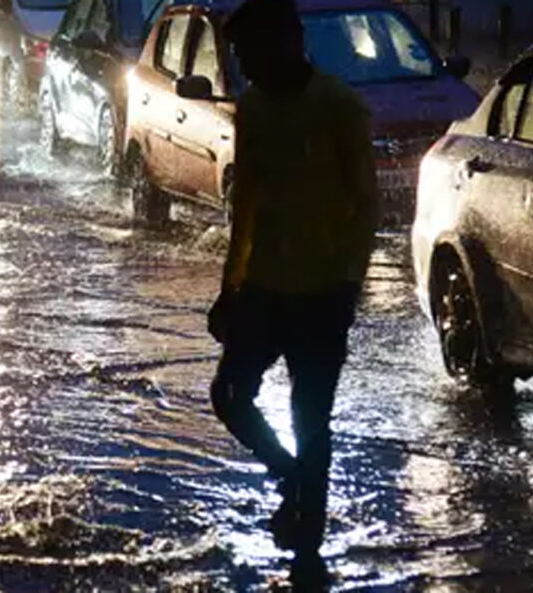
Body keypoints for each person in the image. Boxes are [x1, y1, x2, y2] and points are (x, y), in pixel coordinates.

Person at [208, 0, 378, 584]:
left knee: (313, 420)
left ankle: (309, 536)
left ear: (286, 42)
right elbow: (245, 207)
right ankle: (289, 477)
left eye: (250, 53)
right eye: (239, 56)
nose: (244, 66)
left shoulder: (339, 108)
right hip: (261, 290)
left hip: (322, 293)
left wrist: (349, 286)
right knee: (229, 395)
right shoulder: (251, 109)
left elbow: (365, 208)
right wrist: (229, 290)